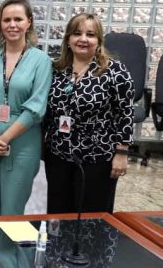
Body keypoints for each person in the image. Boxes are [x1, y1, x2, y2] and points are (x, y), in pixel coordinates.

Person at [0, 0, 52, 215]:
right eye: (6, 20)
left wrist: (4, 139)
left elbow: (36, 106)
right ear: (0, 23)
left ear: (29, 22)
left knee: (12, 206)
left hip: (23, 143)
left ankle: (8, 250)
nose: (12, 25)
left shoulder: (41, 60)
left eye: (18, 19)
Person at [44, 13, 133, 213]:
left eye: (90, 34)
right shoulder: (57, 70)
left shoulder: (114, 71)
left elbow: (125, 113)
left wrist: (122, 153)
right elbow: (47, 112)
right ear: (68, 39)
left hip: (97, 159)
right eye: (77, 33)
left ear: (99, 41)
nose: (83, 39)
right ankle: (59, 246)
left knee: (92, 219)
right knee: (57, 216)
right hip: (58, 156)